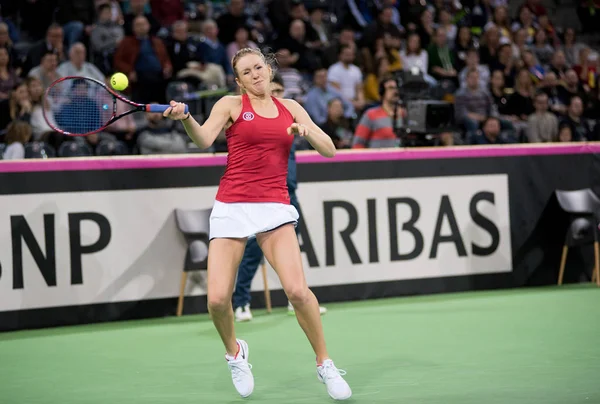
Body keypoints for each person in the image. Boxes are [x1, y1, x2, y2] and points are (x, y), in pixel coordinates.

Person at [163, 47, 352, 401]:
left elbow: (330, 150)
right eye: (246, 72)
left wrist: (305, 131)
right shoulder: (230, 106)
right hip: (232, 206)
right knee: (218, 299)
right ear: (238, 81)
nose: (255, 74)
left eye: (258, 67)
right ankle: (235, 352)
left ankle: (324, 362)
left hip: (274, 207)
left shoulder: (291, 108)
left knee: (297, 291)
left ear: (268, 69)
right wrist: (186, 117)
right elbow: (204, 139)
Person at [232, 73, 327, 322]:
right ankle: (241, 303)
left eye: (279, 92)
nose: (274, 97)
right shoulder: (257, 126)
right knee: (252, 253)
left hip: (287, 200)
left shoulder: (292, 123)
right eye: (271, 92)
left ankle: (295, 299)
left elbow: (328, 148)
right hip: (260, 201)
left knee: (291, 255)